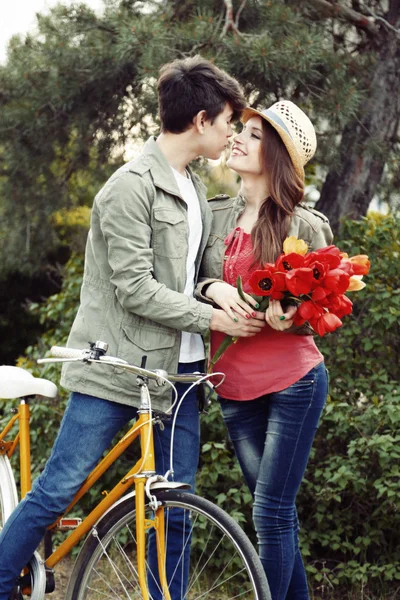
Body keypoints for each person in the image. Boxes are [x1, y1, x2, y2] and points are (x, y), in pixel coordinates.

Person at [0, 56, 266, 600]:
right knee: (57, 493)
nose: (230, 133)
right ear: (199, 120)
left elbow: (185, 278)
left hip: (181, 377)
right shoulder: (128, 187)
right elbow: (135, 288)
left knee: (175, 510)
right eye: (226, 122)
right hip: (118, 370)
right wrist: (212, 317)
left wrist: (215, 294)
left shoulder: (193, 189)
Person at [197, 100, 332, 600]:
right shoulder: (214, 217)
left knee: (269, 511)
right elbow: (190, 281)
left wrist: (290, 317)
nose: (238, 138)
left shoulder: (303, 225)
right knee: (274, 511)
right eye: (243, 130)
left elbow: (325, 307)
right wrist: (214, 290)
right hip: (234, 388)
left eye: (254, 135)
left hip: (293, 385)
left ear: (275, 154)